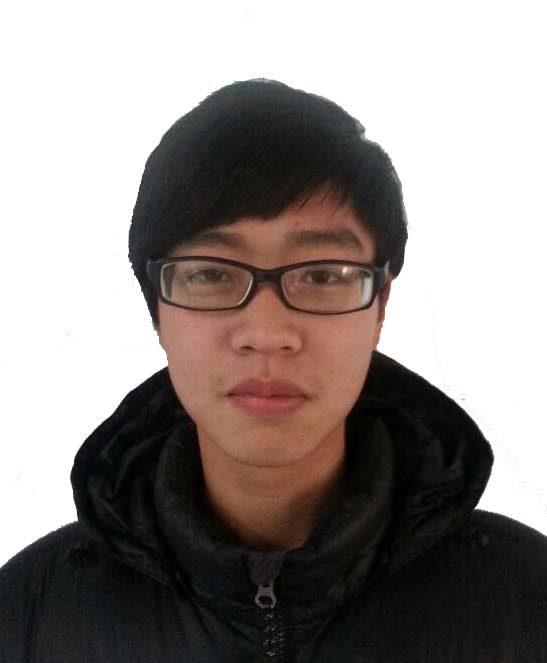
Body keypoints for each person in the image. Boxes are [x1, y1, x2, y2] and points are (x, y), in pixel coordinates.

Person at [1, 78, 546, 662]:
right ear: (156, 308)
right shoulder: (30, 615)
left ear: (381, 304)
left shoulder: (526, 601)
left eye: (321, 275)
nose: (266, 334)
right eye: (211, 273)